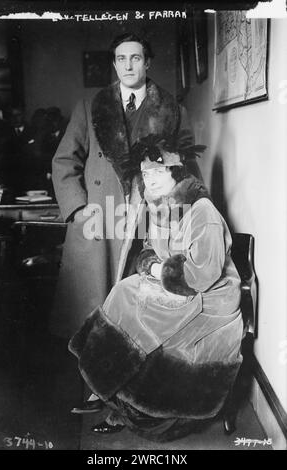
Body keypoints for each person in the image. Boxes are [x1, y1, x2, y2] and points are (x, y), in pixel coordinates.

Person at [68, 137, 244, 442]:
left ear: (176, 172)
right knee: (123, 291)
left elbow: (203, 274)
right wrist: (151, 266)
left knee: (146, 317)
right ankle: (111, 390)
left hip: (209, 298)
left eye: (157, 174)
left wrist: (159, 271)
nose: (149, 180)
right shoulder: (163, 206)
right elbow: (150, 248)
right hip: (176, 283)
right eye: (145, 175)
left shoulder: (202, 212)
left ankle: (134, 405)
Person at [50, 33, 200, 343]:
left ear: (147, 62)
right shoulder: (90, 106)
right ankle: (90, 390)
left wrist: (182, 213)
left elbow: (188, 168)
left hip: (148, 221)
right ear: (115, 64)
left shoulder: (172, 110)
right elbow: (64, 161)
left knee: (139, 317)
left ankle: (128, 388)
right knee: (91, 316)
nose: (128, 65)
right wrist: (78, 209)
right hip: (98, 221)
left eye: (135, 58)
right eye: (121, 58)